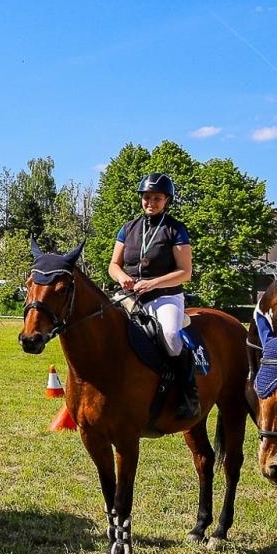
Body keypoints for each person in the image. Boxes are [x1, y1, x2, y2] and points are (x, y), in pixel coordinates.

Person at [108, 173, 198, 419]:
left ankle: (188, 393)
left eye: (157, 198)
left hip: (165, 296)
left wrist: (153, 283)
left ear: (166, 200)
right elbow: (113, 265)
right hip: (130, 296)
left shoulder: (176, 230)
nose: (151, 202)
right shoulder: (127, 229)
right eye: (147, 197)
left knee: (170, 335)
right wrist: (121, 278)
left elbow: (185, 272)